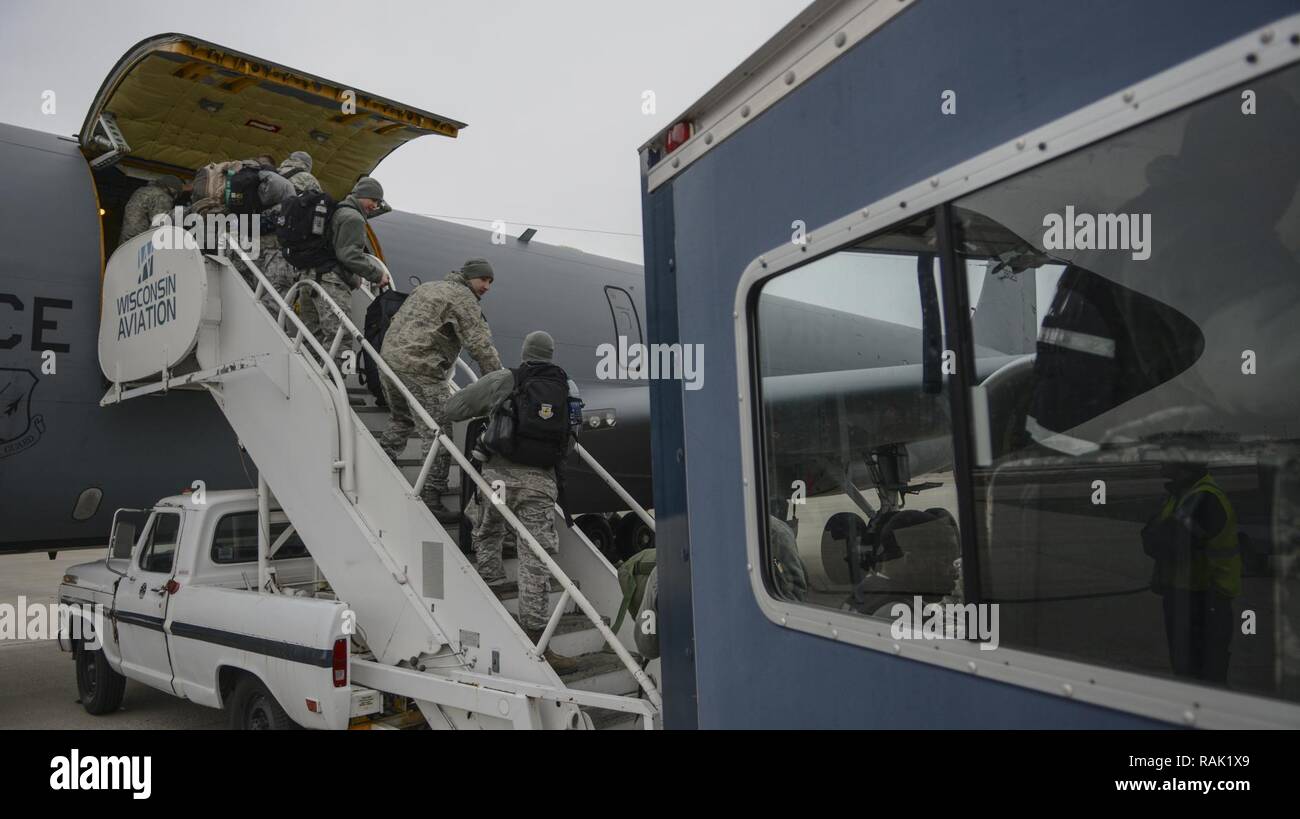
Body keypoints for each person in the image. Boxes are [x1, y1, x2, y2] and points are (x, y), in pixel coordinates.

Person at [444, 331, 577, 670]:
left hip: (500, 480)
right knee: (535, 555)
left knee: (488, 527)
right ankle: (536, 636)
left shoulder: (506, 379)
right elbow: (572, 437)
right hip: (540, 485)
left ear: (525, 353)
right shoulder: (566, 388)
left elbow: (455, 407)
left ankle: (492, 584)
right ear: (550, 354)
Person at [379, 258, 502, 519]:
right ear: (469, 278)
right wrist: (500, 384)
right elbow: (481, 346)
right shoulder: (463, 299)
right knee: (439, 433)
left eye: (490, 281)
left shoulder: (427, 287)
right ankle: (431, 495)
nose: (487, 286)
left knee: (402, 418)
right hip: (421, 368)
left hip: (389, 362)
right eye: (483, 280)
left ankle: (382, 459)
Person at [1141, 461, 1241, 684]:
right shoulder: (1184, 495)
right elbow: (1153, 534)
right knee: (1189, 676)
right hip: (1189, 595)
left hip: (1204, 599)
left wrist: (1155, 532)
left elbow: (1161, 542)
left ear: (1183, 466)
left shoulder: (1202, 499)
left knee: (1200, 678)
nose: (1160, 463)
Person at [299, 176, 392, 347]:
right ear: (363, 195)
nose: (375, 206)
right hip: (330, 283)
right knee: (340, 338)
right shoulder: (354, 218)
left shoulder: (338, 211)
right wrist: (377, 275)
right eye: (374, 200)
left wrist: (353, 279)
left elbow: (335, 250)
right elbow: (349, 255)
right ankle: (335, 375)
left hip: (309, 279)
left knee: (311, 336)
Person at [257, 151, 322, 314]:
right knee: (278, 290)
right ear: (308, 166)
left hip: (256, 236)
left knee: (255, 286)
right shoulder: (309, 180)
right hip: (280, 244)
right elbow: (318, 211)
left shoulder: (273, 174)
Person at [119, 175, 183, 246]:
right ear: (173, 190)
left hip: (126, 243)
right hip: (141, 244)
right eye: (177, 194)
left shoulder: (142, 191)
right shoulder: (162, 196)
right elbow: (160, 224)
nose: (176, 197)